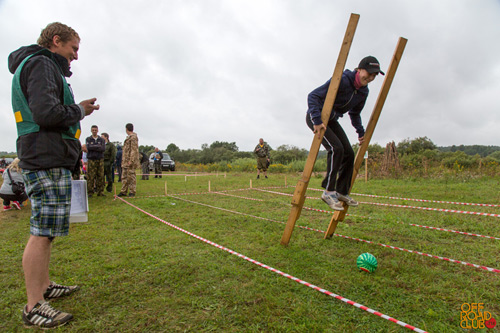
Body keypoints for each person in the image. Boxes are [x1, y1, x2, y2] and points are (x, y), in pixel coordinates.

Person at [8, 22, 100, 328]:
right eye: (73, 48)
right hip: (44, 155)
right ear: (55, 40)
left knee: (47, 229)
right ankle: (34, 305)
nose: (75, 56)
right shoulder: (41, 64)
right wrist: (79, 110)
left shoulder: (40, 65)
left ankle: (44, 285)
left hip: (46, 154)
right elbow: (46, 113)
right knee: (42, 231)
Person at [307, 56, 384, 211]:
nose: (370, 77)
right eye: (368, 73)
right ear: (359, 69)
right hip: (318, 116)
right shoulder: (342, 80)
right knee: (336, 148)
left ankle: (342, 191)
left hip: (332, 120)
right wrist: (316, 120)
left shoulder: (363, 92)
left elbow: (355, 113)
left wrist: (360, 132)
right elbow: (313, 96)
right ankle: (328, 192)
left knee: (348, 152)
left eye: (374, 76)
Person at [118, 123, 140, 197]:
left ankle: (132, 191)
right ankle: (123, 191)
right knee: (124, 176)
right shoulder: (129, 137)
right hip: (125, 161)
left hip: (130, 161)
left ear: (126, 129)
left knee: (131, 176)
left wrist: (131, 160)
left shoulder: (133, 137)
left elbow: (134, 150)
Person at [85, 125, 105, 197]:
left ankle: (100, 192)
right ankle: (90, 192)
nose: (94, 131)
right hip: (91, 159)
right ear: (91, 130)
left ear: (97, 130)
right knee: (91, 176)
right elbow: (88, 147)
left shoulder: (101, 140)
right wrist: (97, 146)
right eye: (93, 130)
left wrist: (93, 147)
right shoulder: (88, 139)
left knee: (100, 176)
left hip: (100, 159)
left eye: (95, 130)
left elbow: (102, 149)